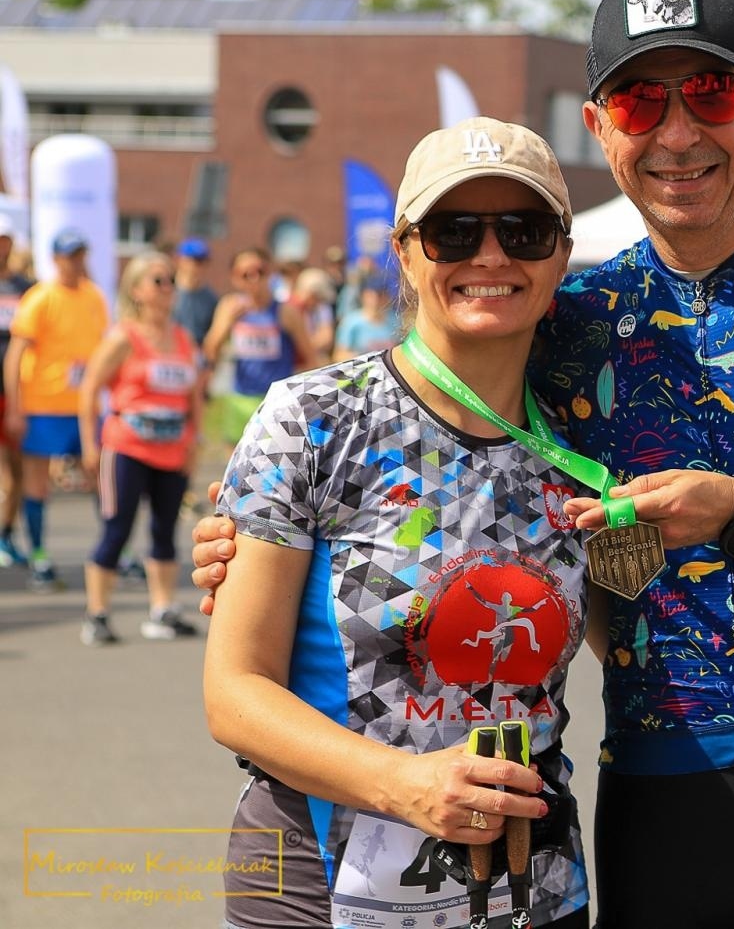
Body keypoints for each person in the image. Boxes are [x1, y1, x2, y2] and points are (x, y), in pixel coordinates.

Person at [195, 0, 734, 929]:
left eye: (707, 92)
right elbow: (432, 445)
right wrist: (248, 535)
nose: (675, 132)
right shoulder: (567, 320)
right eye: (637, 100)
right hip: (662, 791)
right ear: (598, 126)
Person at [204, 119, 590, 926]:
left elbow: (642, 647)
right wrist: (405, 785)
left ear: (560, 253)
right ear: (406, 251)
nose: (490, 256)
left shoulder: (585, 448)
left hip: (530, 883)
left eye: (522, 230)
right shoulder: (314, 418)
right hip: (316, 877)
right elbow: (234, 693)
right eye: (455, 231)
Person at [75, 252, 204, 645]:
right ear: (137, 290)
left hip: (172, 451)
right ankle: (97, 614)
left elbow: (194, 397)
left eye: (170, 281)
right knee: (117, 529)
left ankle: (162, 609)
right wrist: (89, 447)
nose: (167, 288)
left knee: (165, 530)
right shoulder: (123, 336)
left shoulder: (181, 337)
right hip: (126, 447)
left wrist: (193, 441)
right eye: (158, 281)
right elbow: (89, 389)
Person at [3, 228, 108, 590]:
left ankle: (113, 550)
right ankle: (40, 556)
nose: (76, 262)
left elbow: (101, 352)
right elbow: (15, 354)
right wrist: (15, 408)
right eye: (69, 255)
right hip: (43, 404)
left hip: (82, 406)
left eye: (80, 254)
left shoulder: (94, 296)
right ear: (56, 259)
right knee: (37, 481)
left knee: (100, 476)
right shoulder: (40, 297)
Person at [202, 247, 314, 445]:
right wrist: (226, 324)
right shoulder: (229, 307)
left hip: (277, 401)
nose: (254, 279)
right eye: (246, 275)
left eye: (259, 272)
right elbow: (210, 351)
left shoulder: (286, 312)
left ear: (269, 273)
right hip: (240, 399)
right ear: (235, 278)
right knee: (235, 469)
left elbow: (311, 358)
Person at [0, 215, 35, 566]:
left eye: (4, 239)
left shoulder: (26, 288)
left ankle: (5, 534)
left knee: (15, 471)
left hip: (14, 393)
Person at [332, 275, 401, 360]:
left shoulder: (396, 321)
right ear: (363, 296)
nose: (375, 300)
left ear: (387, 297)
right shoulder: (351, 322)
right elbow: (338, 355)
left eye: (380, 295)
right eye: (371, 295)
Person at [172, 238, 219, 348]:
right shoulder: (166, 291)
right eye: (193, 260)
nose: (197, 266)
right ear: (179, 259)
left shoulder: (211, 299)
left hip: (197, 356)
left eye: (202, 261)